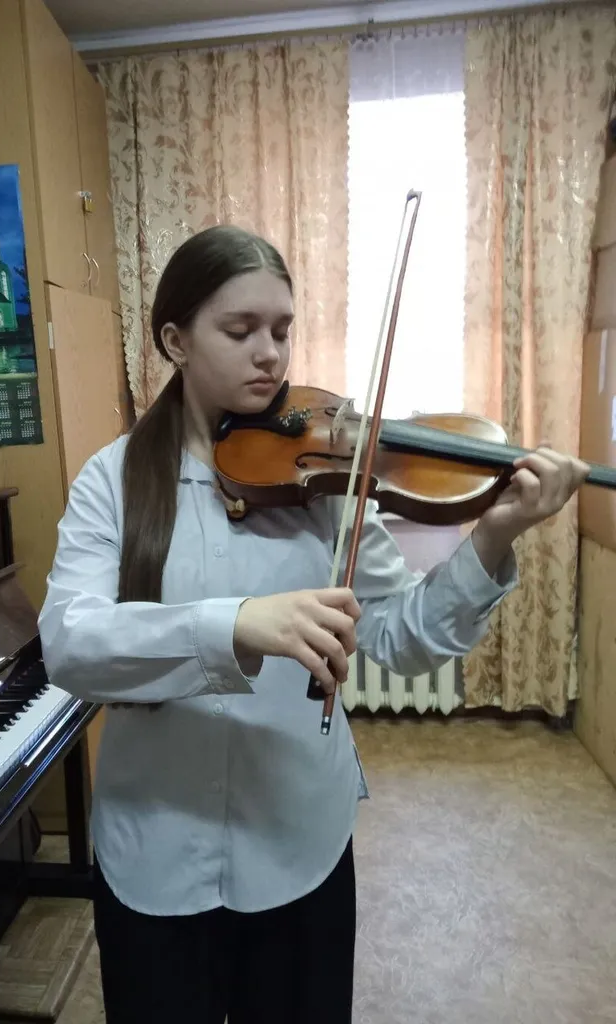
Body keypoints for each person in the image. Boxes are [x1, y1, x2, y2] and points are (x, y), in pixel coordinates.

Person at [37, 225, 589, 1024]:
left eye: (282, 329)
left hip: (298, 843)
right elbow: (71, 644)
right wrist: (236, 625)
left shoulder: (327, 476)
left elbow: (401, 638)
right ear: (175, 340)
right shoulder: (113, 481)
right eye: (240, 330)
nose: (270, 354)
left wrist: (495, 535)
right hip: (155, 852)